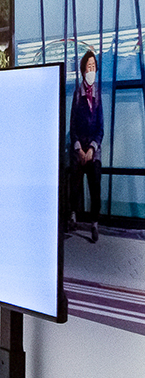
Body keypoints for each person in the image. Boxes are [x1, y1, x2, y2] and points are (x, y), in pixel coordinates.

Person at [70, 48, 103, 242]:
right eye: (88, 67)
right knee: (74, 181)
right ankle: (73, 216)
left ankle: (94, 223)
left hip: (93, 150)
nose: (91, 70)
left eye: (93, 67)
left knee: (95, 184)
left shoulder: (98, 95)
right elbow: (72, 124)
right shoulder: (77, 94)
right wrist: (79, 148)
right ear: (83, 71)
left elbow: (101, 128)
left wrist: (91, 148)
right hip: (78, 148)